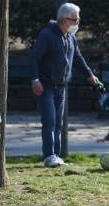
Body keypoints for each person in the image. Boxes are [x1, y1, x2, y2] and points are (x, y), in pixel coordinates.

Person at [29, 3, 100, 167]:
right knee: (50, 121)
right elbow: (34, 58)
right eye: (75, 19)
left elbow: (78, 59)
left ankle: (56, 156)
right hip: (45, 85)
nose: (77, 22)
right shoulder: (47, 35)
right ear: (63, 20)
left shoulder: (70, 37)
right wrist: (35, 79)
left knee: (58, 123)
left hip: (61, 86)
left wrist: (89, 75)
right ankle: (49, 155)